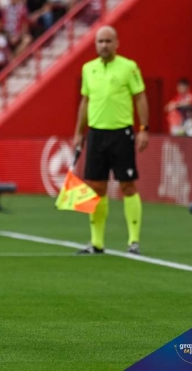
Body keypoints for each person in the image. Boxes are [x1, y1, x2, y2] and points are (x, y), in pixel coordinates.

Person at [73, 26, 149, 255]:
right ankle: (97, 243)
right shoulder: (88, 69)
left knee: (127, 185)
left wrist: (144, 129)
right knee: (96, 187)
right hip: (96, 134)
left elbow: (140, 97)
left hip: (121, 133)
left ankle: (133, 241)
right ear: (95, 44)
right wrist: (79, 132)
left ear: (117, 43)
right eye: (100, 41)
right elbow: (85, 102)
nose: (104, 45)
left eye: (108, 41)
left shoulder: (129, 67)